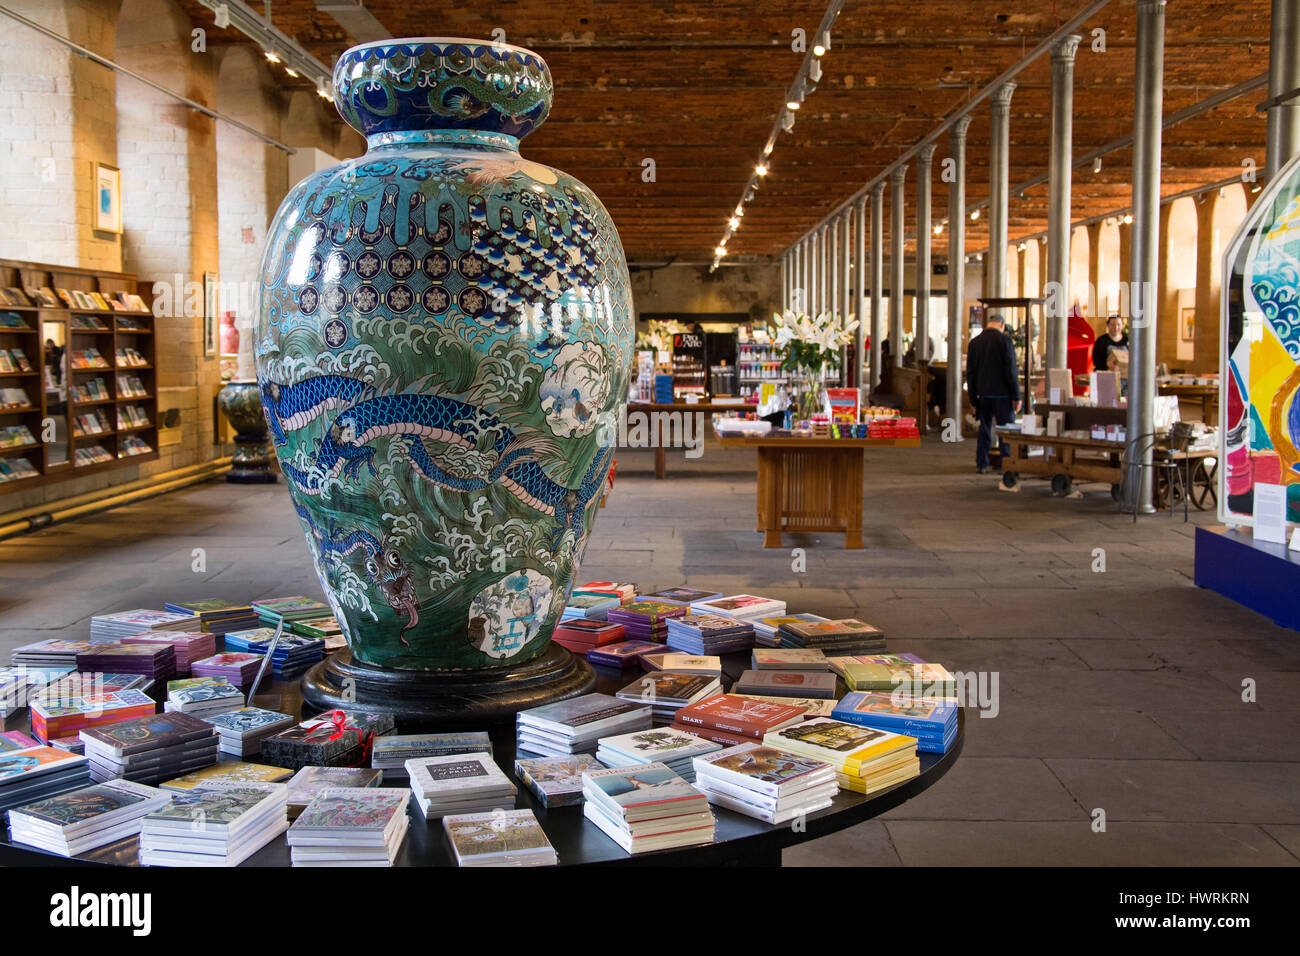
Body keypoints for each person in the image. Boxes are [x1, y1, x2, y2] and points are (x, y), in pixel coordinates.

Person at [966, 314, 1021, 474]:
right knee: (1005, 429)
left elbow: (971, 373)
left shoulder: (974, 343)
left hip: (983, 395)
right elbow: (1011, 370)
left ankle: (982, 463)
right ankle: (1006, 463)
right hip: (1003, 395)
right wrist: (1016, 396)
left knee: (984, 429)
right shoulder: (1005, 341)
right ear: (1002, 325)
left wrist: (972, 399)